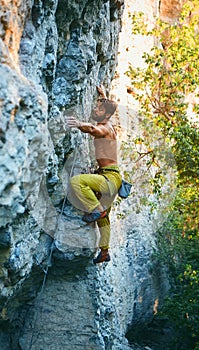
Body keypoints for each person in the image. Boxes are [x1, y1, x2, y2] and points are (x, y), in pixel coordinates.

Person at [65, 86, 122, 264]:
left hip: (109, 179)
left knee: (76, 182)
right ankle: (104, 252)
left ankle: (96, 210)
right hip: (114, 179)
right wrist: (103, 96)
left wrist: (79, 124)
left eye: (99, 108)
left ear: (105, 115)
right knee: (104, 220)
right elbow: (102, 113)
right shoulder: (108, 122)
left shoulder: (104, 128)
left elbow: (92, 129)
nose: (94, 109)